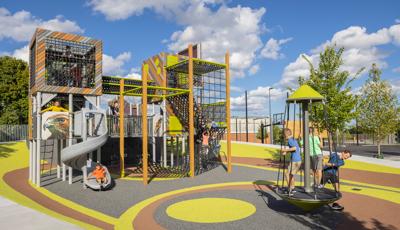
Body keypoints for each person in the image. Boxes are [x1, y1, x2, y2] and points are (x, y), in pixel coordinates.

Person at [281, 128, 302, 194]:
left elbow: (294, 148)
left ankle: (289, 189)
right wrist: (286, 152)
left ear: (285, 135)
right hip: (298, 160)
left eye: (283, 135)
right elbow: (294, 149)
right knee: (291, 175)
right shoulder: (293, 139)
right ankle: (292, 188)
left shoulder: (290, 140)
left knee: (287, 174)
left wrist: (285, 150)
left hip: (295, 160)